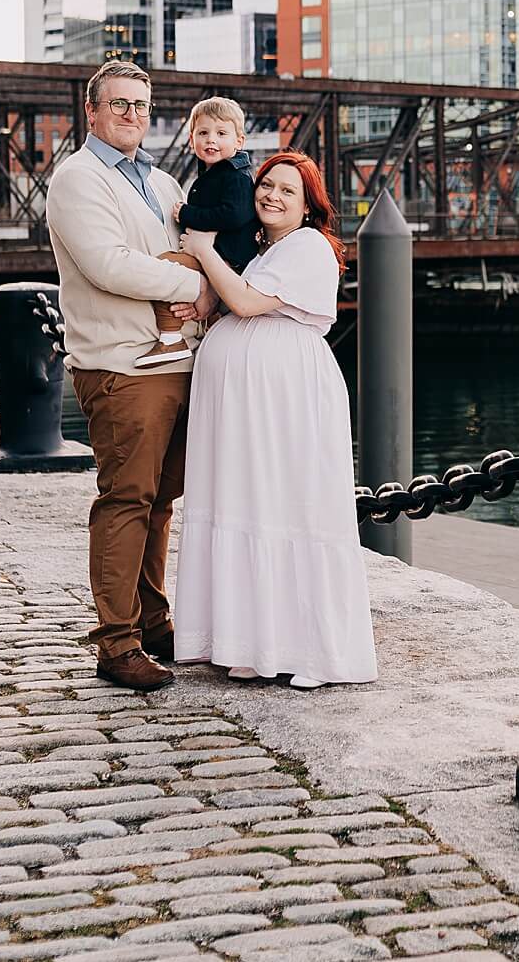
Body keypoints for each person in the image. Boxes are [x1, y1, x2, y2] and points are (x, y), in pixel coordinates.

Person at [172, 151, 376, 688]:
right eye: (266, 186)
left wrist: (202, 249)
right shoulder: (270, 250)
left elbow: (244, 302)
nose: (272, 196)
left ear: (309, 206)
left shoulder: (309, 245)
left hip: (283, 400)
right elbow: (235, 301)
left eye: (288, 190)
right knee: (250, 502)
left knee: (285, 506)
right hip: (251, 404)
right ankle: (251, 638)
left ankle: (301, 648)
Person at [44, 59, 205, 693]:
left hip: (176, 360)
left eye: (140, 104)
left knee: (161, 500)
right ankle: (115, 643)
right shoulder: (77, 180)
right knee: (127, 500)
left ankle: (153, 618)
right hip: (123, 365)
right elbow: (110, 266)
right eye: (118, 104)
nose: (131, 114)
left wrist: (192, 276)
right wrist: (197, 284)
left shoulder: (162, 183)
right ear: (92, 111)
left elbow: (187, 245)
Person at [135, 96, 257, 368]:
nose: (211, 139)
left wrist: (187, 214)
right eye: (203, 133)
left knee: (168, 264)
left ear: (239, 142)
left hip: (230, 258)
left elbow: (234, 214)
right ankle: (209, 338)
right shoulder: (212, 175)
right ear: (192, 141)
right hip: (214, 255)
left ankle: (169, 338)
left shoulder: (236, 176)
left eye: (221, 133)